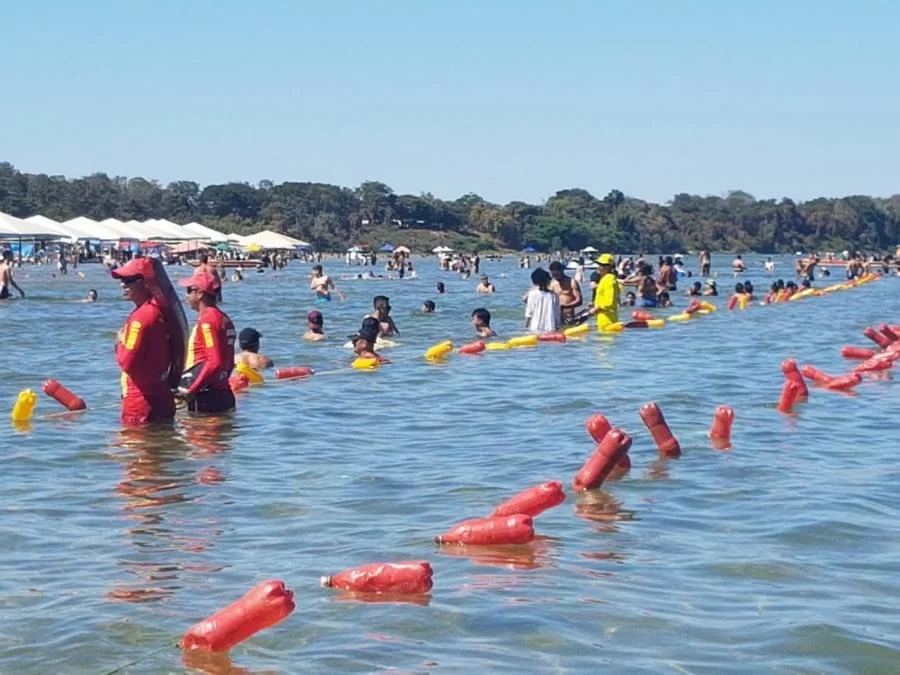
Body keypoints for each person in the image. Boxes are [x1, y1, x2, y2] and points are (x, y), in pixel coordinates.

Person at [111, 261, 175, 426]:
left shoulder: (142, 317)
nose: (123, 285)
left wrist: (119, 342)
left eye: (128, 281)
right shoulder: (158, 310)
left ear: (145, 283)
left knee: (133, 443)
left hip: (141, 401)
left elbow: (127, 361)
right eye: (122, 281)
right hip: (161, 394)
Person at [178, 271, 236, 415]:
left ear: (200, 293)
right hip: (223, 392)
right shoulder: (224, 318)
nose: (186, 295)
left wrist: (191, 390)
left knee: (200, 430)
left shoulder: (208, 320)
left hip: (206, 396)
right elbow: (229, 362)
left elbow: (214, 362)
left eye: (189, 290)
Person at [587, 253, 620, 329]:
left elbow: (609, 302)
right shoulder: (604, 279)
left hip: (608, 321)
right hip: (603, 319)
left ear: (609, 267)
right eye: (599, 265)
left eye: (602, 265)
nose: (599, 267)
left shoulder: (609, 279)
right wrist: (594, 304)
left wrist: (595, 309)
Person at [524, 267, 560, 333]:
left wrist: (525, 328)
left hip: (535, 329)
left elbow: (529, 314)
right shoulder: (554, 295)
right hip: (551, 328)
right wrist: (558, 328)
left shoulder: (532, 294)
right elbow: (557, 315)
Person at [548, 260, 583, 325]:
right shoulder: (551, 284)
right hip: (555, 317)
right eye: (553, 275)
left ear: (562, 270)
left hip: (568, 317)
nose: (555, 276)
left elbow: (579, 301)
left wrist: (566, 306)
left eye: (557, 274)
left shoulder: (572, 282)